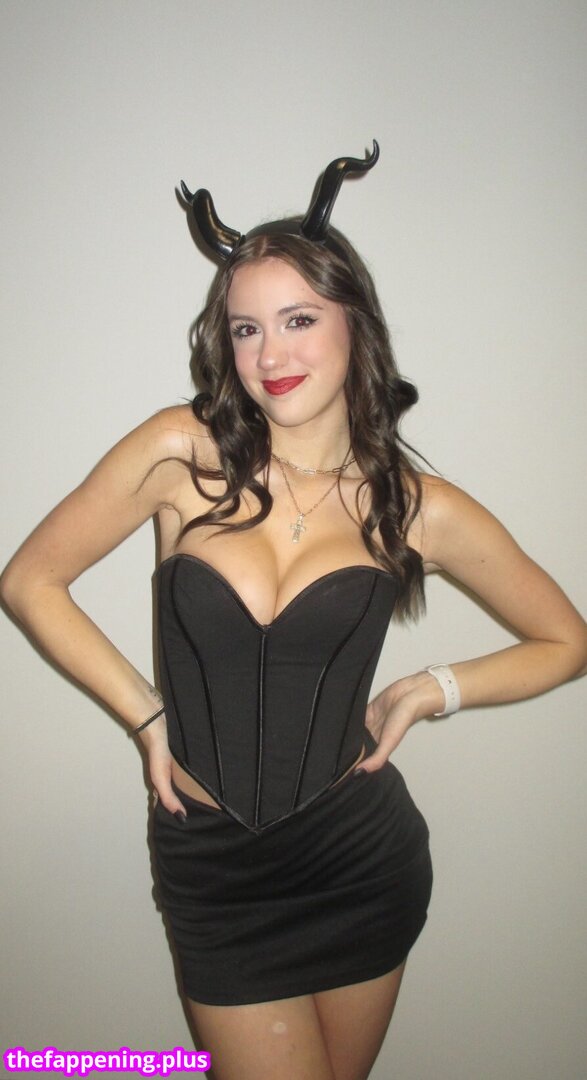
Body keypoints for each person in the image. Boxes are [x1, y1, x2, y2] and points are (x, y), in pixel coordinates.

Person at [1, 142, 585, 1080]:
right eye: (245, 329)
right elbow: (29, 580)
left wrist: (431, 688)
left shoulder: (414, 505)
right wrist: (145, 717)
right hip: (213, 869)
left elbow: (565, 641)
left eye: (298, 319)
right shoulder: (179, 454)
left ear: (355, 322)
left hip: (359, 861)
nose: (269, 356)